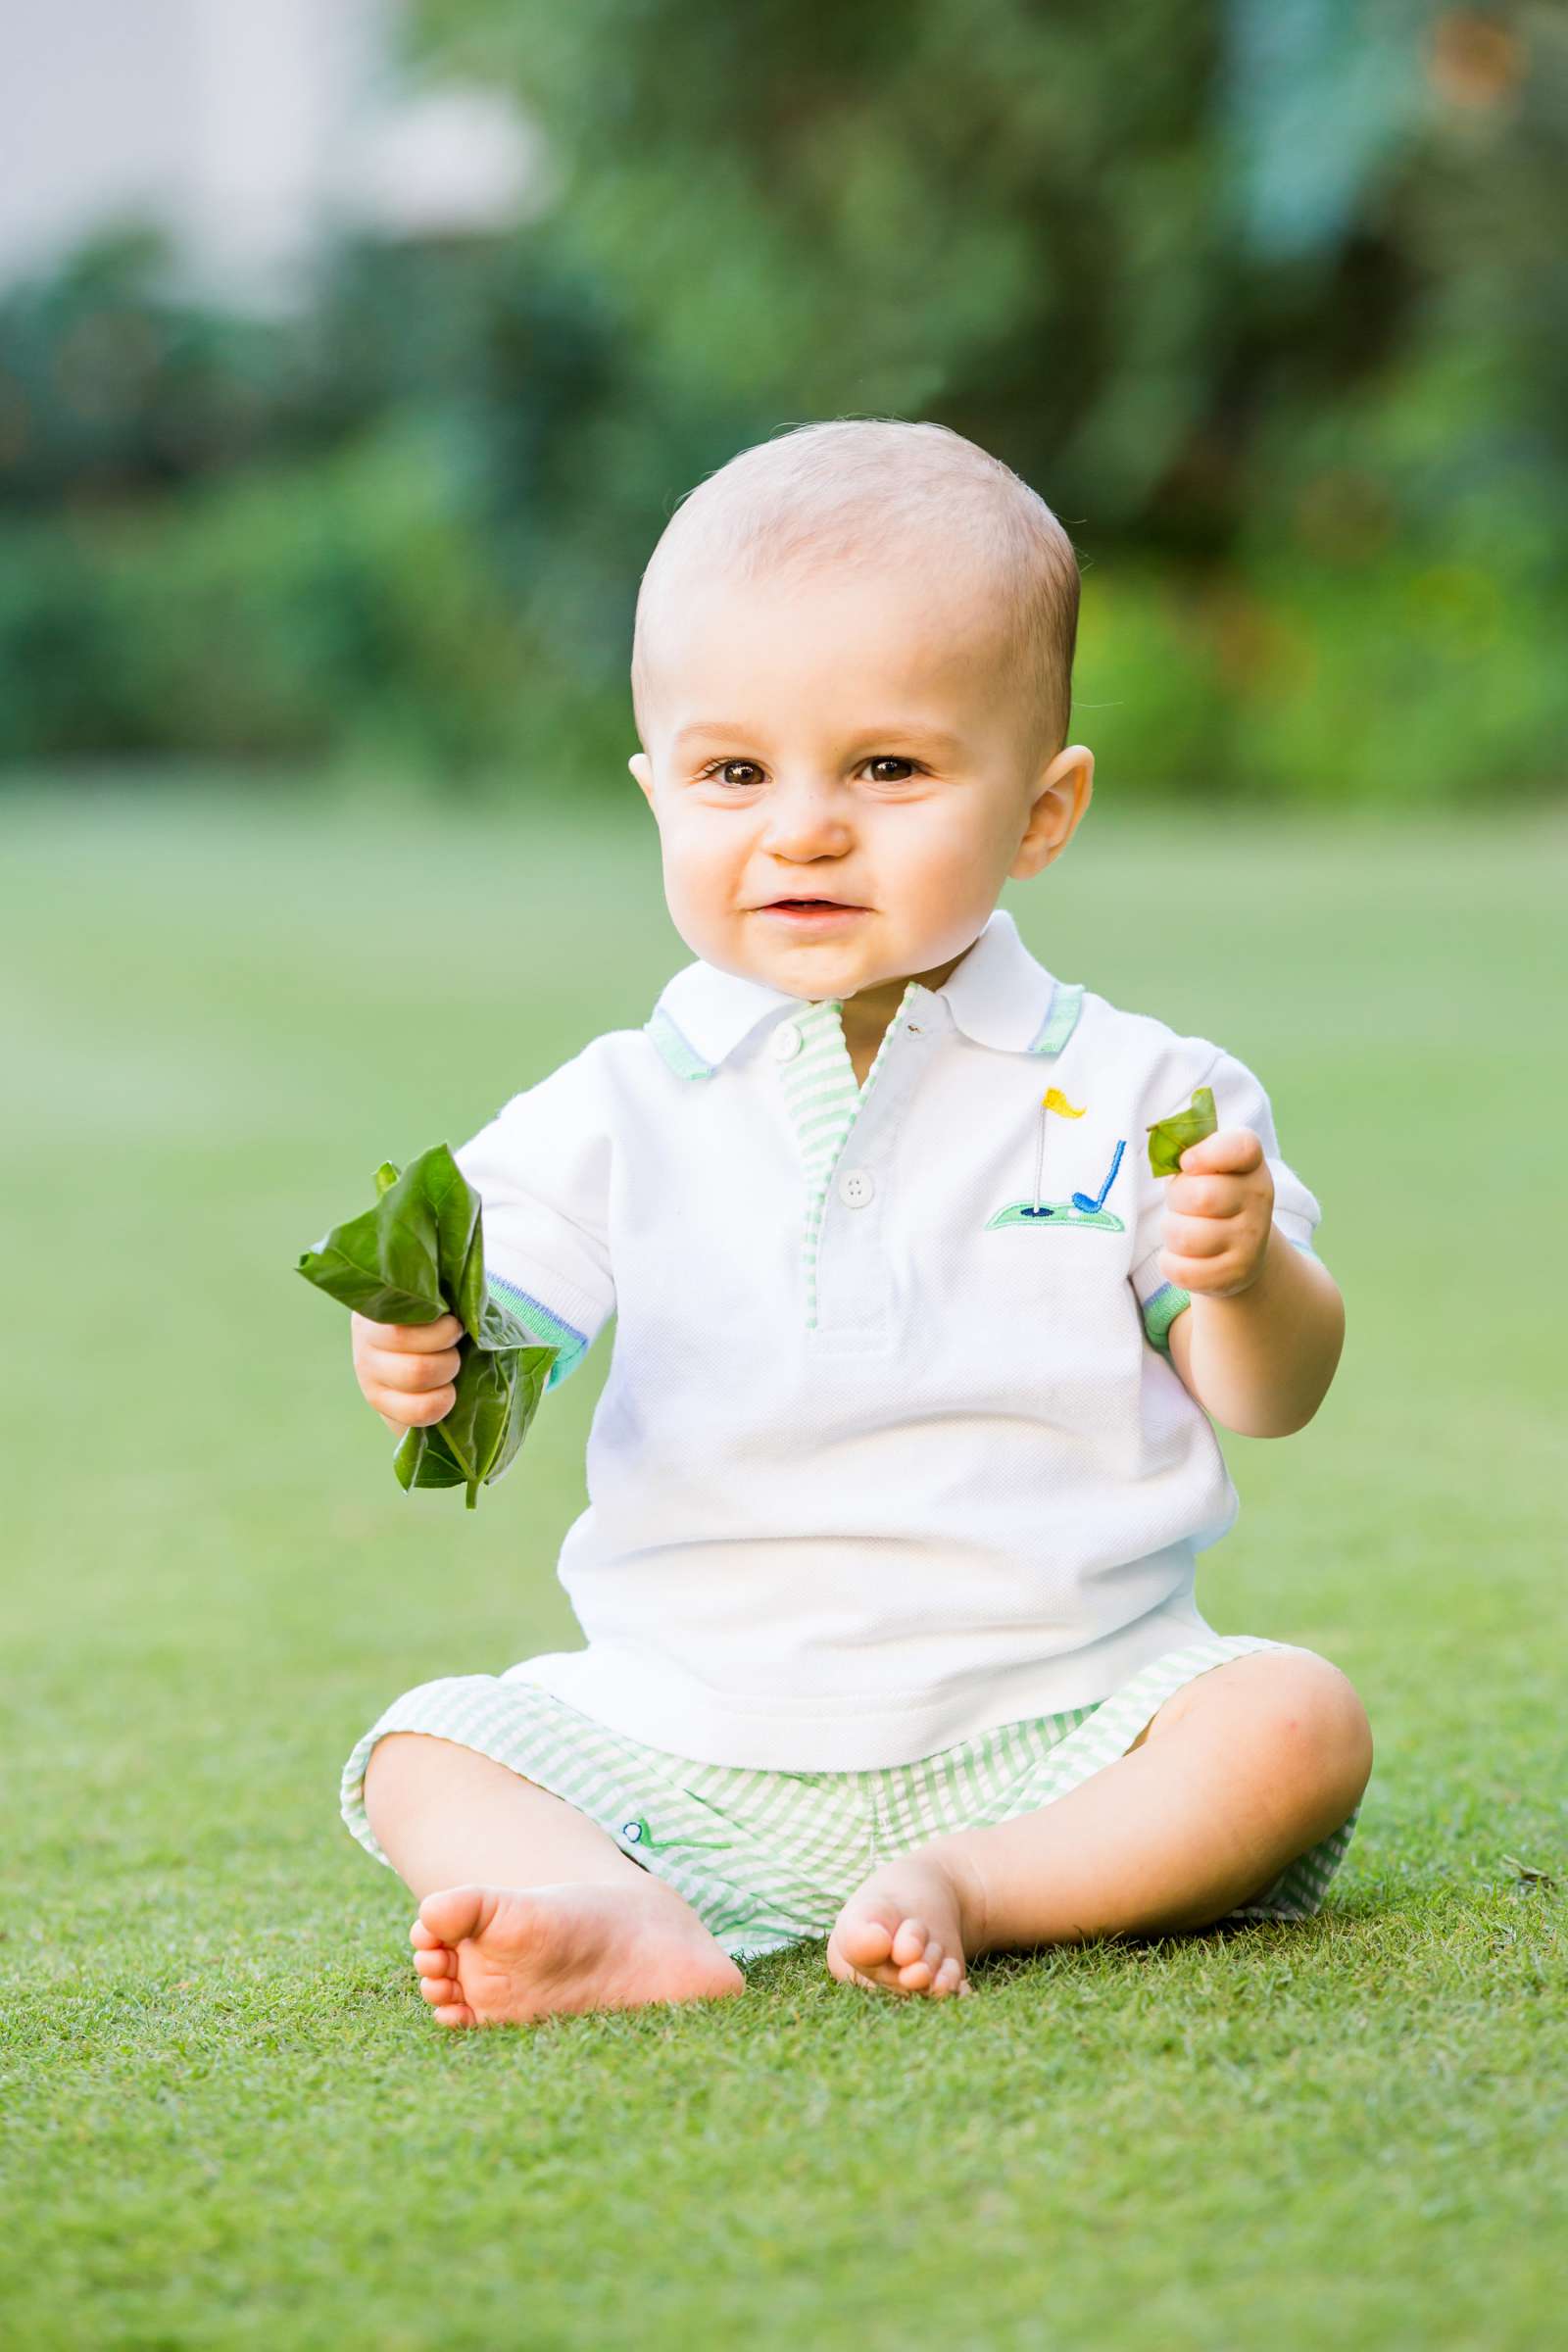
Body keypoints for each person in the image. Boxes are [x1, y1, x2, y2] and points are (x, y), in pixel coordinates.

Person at [337, 417, 1373, 2028]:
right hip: (687, 1728)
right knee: (427, 1747)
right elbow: (494, 1345)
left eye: (887, 768)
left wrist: (1242, 1275)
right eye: (734, 772)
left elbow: (1271, 1394)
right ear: (656, 792)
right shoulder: (620, 1103)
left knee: (1295, 1723)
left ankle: (985, 1887)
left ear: (1041, 811)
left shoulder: (1135, 1089)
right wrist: (422, 1353)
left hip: (1066, 1720)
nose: (803, 826)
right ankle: (625, 1913)